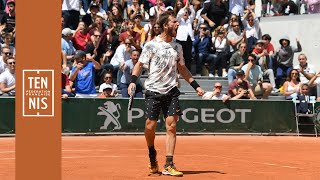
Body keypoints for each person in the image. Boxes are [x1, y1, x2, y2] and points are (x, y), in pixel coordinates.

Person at [127, 11, 205, 177]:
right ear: (165, 25)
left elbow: (182, 69)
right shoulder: (151, 45)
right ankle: (151, 154)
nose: (177, 24)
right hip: (153, 90)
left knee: (172, 126)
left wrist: (196, 86)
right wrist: (133, 81)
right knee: (150, 125)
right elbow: (140, 65)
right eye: (174, 22)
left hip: (171, 91)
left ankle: (169, 164)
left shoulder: (178, 47)